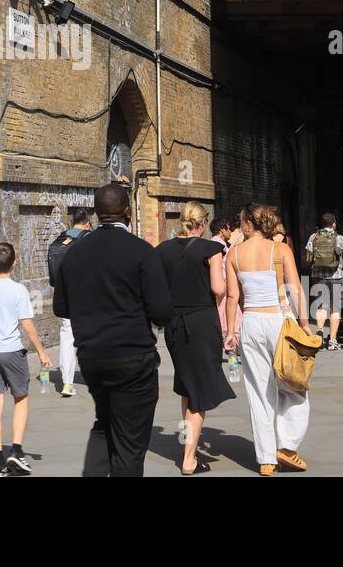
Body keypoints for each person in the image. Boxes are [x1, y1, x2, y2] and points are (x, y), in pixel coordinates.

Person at [53, 181, 173, 477]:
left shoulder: (74, 254)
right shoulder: (143, 252)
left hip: (92, 358)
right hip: (133, 359)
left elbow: (61, 308)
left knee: (104, 424)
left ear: (95, 213)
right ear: (128, 213)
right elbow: (162, 312)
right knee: (130, 444)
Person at [224, 204, 311, 476]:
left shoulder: (234, 255)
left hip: (250, 324)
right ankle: (287, 445)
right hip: (279, 322)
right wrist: (305, 325)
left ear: (250, 223)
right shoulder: (281, 249)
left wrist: (229, 331)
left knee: (259, 392)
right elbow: (296, 288)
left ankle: (265, 459)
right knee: (295, 385)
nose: (240, 226)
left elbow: (232, 298)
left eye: (241, 222)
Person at [157, 202, 234, 475]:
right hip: (201, 323)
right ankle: (189, 459)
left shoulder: (162, 250)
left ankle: (189, 446)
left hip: (174, 325)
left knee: (189, 387)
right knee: (199, 390)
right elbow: (218, 289)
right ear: (202, 224)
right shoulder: (211, 249)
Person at [0, 241, 52, 476]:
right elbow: (26, 324)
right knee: (20, 398)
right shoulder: (18, 290)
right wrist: (42, 352)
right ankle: (15, 450)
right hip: (12, 351)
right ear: (14, 263)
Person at [48, 208, 93, 397]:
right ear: (88, 223)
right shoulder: (90, 238)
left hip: (65, 295)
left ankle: (67, 384)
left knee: (67, 339)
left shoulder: (60, 239)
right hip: (87, 295)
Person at [303, 212, 343, 350]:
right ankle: (332, 341)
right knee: (335, 308)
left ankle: (319, 334)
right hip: (336, 277)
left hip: (318, 276)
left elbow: (307, 259)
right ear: (334, 224)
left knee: (321, 306)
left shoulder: (314, 237)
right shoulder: (339, 238)